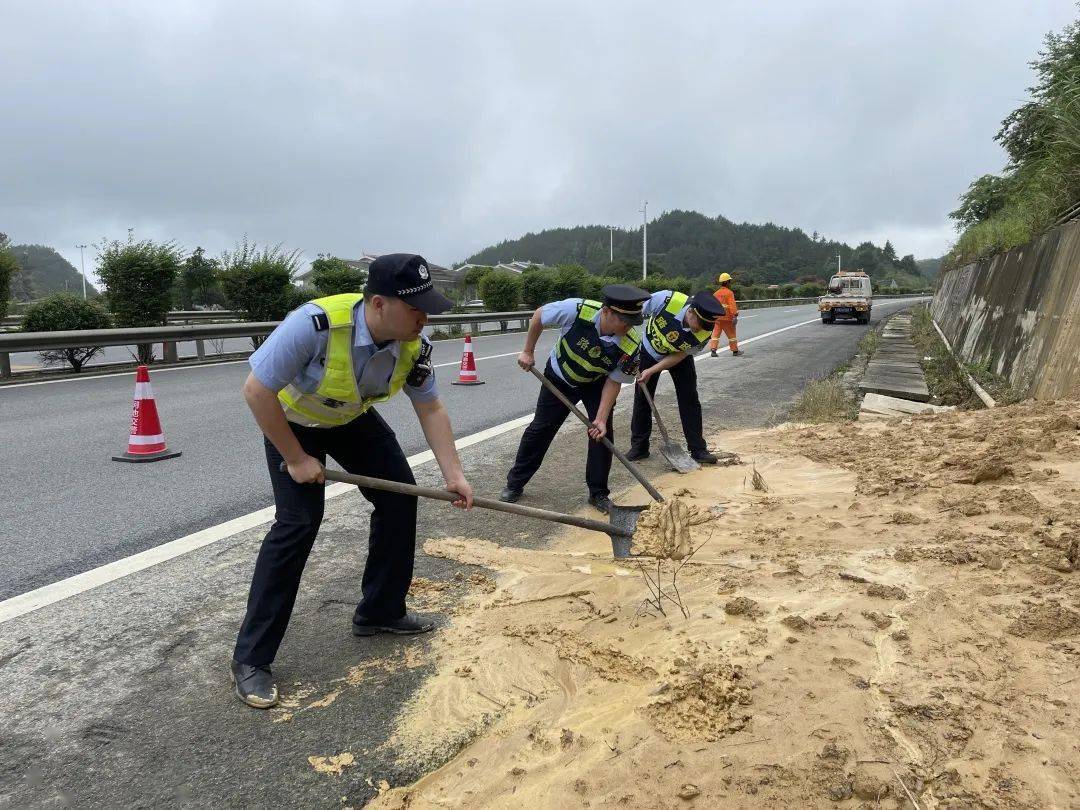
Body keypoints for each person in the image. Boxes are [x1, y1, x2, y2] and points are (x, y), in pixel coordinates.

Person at [230, 253, 474, 709]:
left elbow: (432, 408)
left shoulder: (413, 346)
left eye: (429, 307)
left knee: (399, 501)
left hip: (352, 420)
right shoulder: (315, 325)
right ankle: (251, 659)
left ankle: (380, 611)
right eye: (416, 307)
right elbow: (256, 392)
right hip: (292, 422)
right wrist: (297, 459)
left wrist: (454, 475)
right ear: (378, 304)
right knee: (298, 524)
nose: (426, 317)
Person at [500, 284, 649, 514]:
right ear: (607, 311)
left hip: (596, 383)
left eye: (632, 322)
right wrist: (528, 351)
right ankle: (515, 483)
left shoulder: (630, 344)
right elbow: (539, 315)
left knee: (602, 433)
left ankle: (598, 493)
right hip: (560, 375)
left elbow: (614, 381)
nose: (628, 327)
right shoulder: (577, 310)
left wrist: (600, 418)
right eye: (624, 321)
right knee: (541, 429)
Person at [627, 290, 726, 464]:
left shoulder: (704, 332)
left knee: (689, 400)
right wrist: (629, 348)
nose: (701, 328)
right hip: (649, 350)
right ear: (690, 311)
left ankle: (698, 449)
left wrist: (653, 370)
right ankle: (640, 447)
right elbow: (633, 314)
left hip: (678, 355)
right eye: (700, 323)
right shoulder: (666, 300)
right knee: (643, 397)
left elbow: (680, 355)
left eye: (706, 326)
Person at [708, 272, 742, 356]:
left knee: (715, 335)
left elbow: (713, 306)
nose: (730, 283)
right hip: (727, 318)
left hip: (717, 318)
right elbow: (732, 306)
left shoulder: (716, 293)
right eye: (729, 281)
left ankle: (713, 350)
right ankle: (735, 351)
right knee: (732, 335)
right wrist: (735, 315)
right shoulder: (729, 293)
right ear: (726, 282)